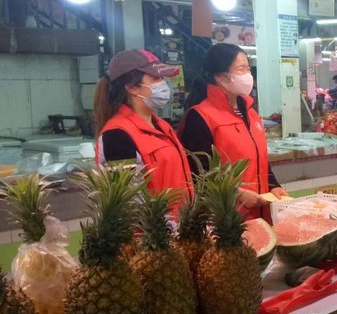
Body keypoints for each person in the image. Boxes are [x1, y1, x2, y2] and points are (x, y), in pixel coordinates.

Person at [180, 43, 288, 220]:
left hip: (261, 213)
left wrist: (273, 185)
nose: (247, 75)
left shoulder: (250, 113)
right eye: (241, 69)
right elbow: (199, 173)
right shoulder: (200, 117)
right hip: (227, 218)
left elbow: (260, 160)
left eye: (248, 69)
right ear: (220, 76)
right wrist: (237, 194)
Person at [94, 49, 192, 207]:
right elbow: (130, 203)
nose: (164, 84)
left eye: (162, 78)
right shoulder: (117, 136)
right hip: (156, 223)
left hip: (181, 220)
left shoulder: (161, 126)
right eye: (156, 78)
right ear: (132, 87)